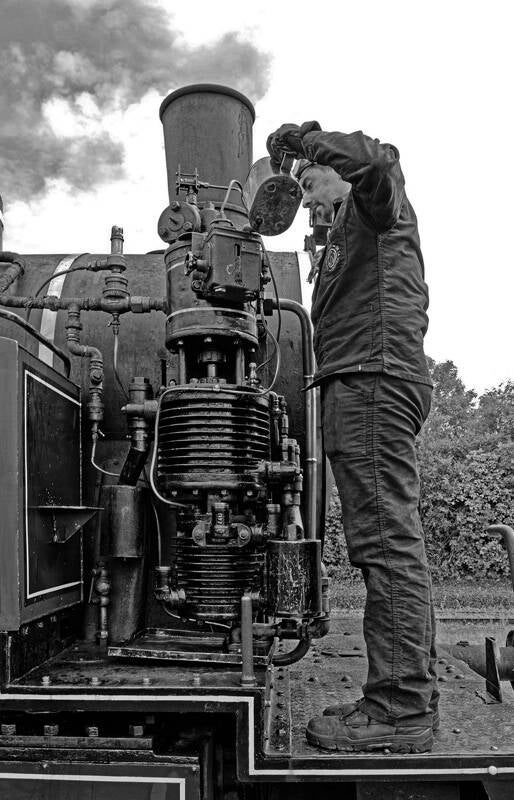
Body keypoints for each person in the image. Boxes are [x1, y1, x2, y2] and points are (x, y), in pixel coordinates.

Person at [266, 122, 438, 753]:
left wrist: (306, 139)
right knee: (390, 541)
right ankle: (405, 691)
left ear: (335, 172)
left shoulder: (376, 202)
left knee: (385, 544)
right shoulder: (345, 231)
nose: (306, 197)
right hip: (360, 383)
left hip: (372, 380)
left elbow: (377, 162)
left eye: (310, 184)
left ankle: (398, 710)